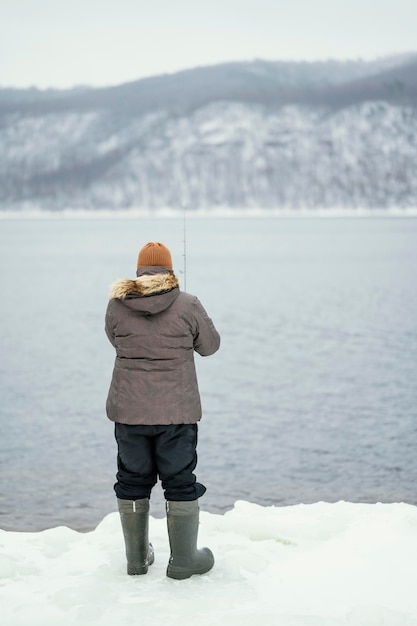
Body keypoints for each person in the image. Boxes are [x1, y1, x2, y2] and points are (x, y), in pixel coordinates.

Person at [105, 241, 220, 579]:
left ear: (139, 270)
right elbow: (210, 347)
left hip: (130, 413)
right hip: (177, 414)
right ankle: (184, 561)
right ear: (170, 270)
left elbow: (115, 340)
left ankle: (136, 560)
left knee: (131, 480)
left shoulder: (116, 305)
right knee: (180, 481)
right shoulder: (188, 304)